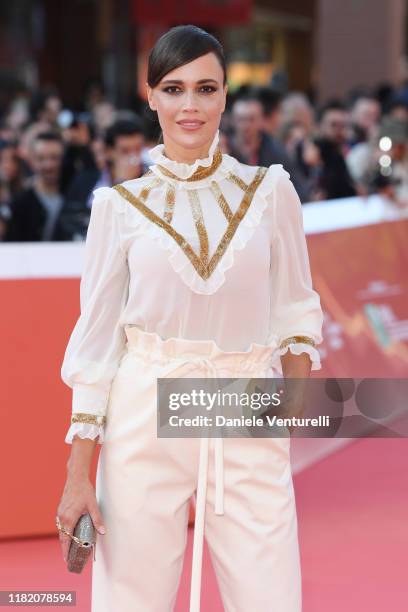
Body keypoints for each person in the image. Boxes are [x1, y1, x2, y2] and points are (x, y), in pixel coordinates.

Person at [56, 25, 323, 612]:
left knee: (269, 596)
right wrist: (79, 476)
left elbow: (296, 308)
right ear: (150, 96)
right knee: (132, 600)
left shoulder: (270, 192)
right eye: (173, 89)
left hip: (246, 406)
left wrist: (289, 411)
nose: (190, 106)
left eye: (206, 89)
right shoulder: (118, 209)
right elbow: (97, 347)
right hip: (143, 411)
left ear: (227, 95)